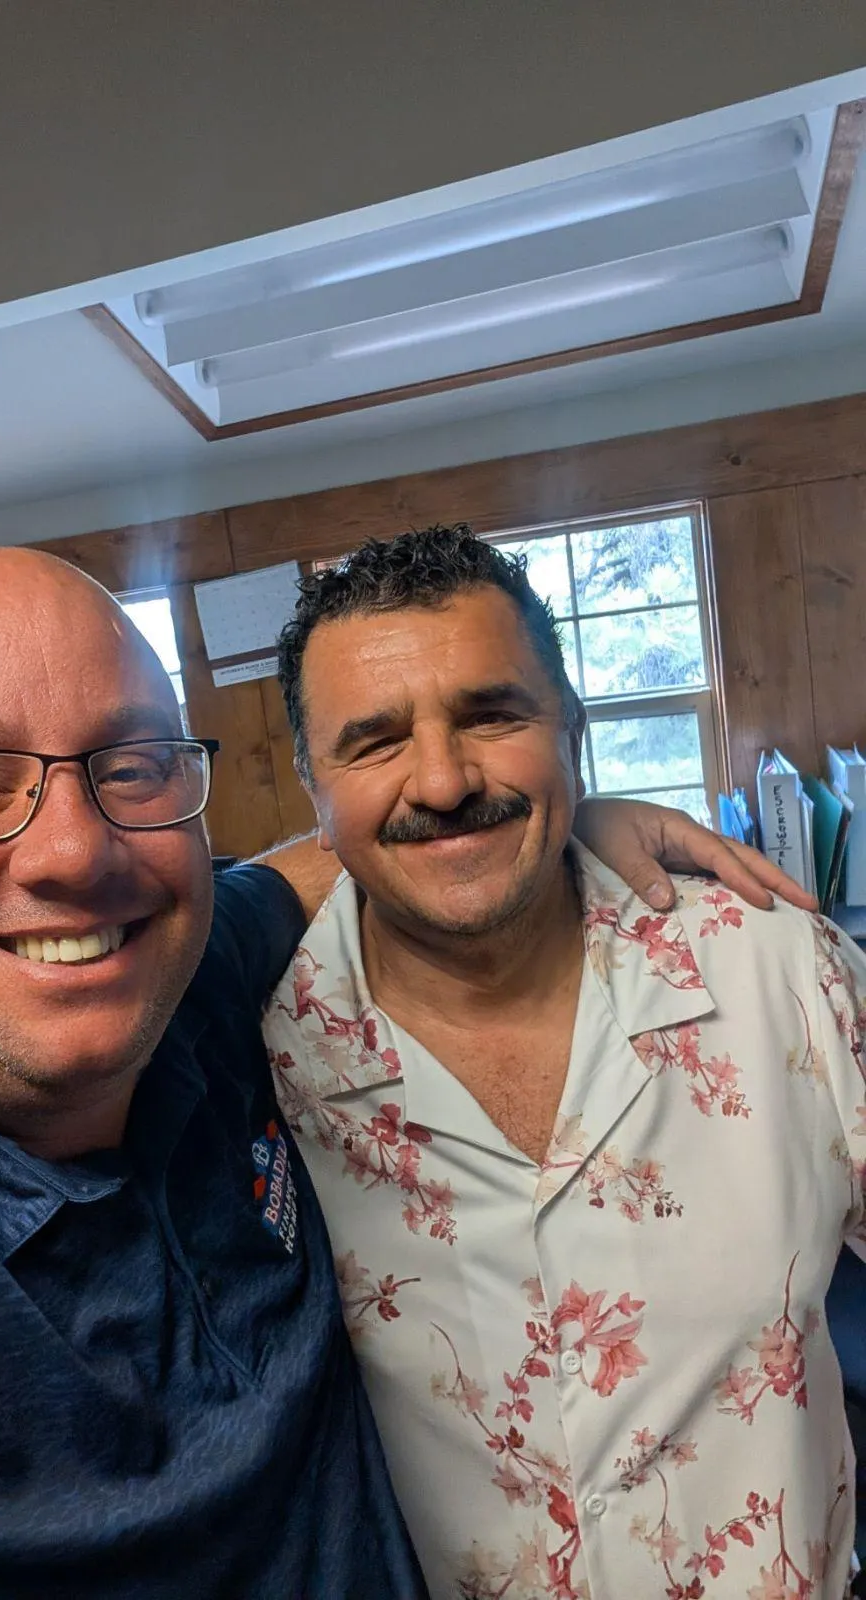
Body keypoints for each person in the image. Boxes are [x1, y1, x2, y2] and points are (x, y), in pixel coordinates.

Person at [0, 547, 790, 1599]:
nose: (76, 850)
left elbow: (335, 855)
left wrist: (548, 822)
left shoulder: (182, 979)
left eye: (132, 769)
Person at [264, 523, 866, 1600]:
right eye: (375, 742)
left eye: (493, 716)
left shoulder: (777, 972)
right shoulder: (253, 1068)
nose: (443, 780)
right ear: (313, 787)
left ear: (573, 732)